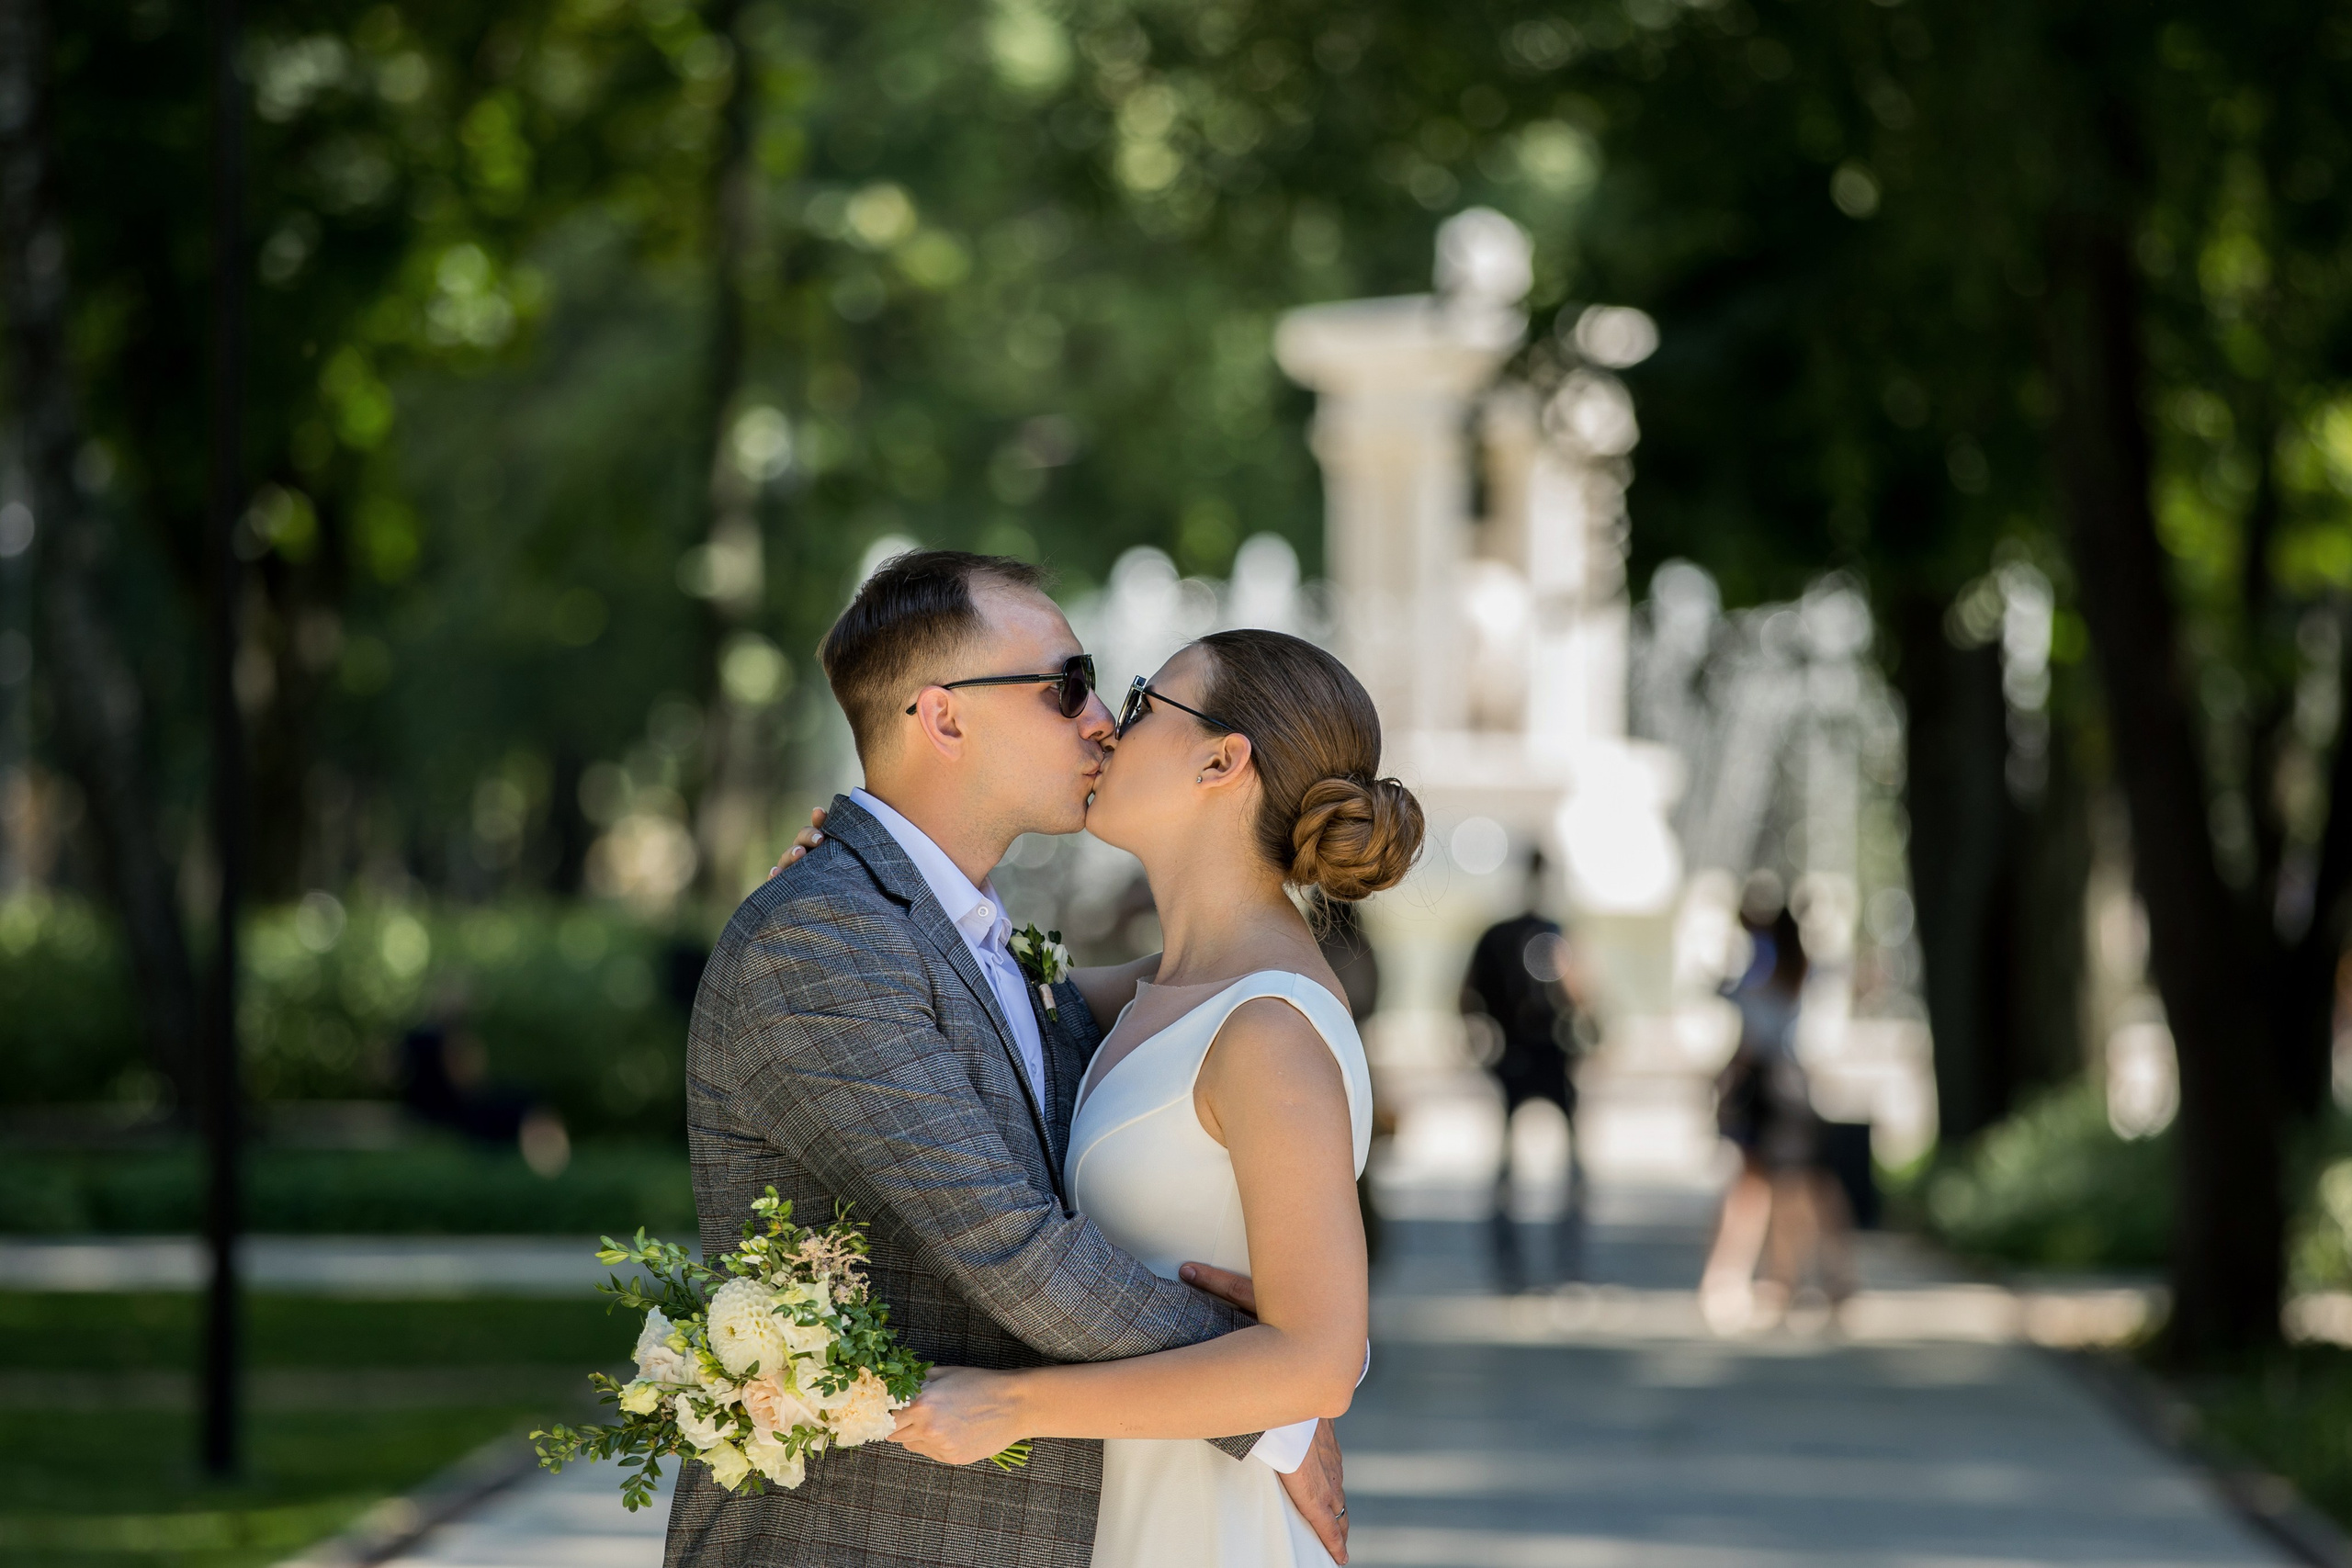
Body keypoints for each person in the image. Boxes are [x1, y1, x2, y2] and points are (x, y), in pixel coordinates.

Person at [676, 551, 1383, 1568]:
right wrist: (1269, 1402)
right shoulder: (834, 937)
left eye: (1124, 699)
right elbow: (1010, 1247)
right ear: (944, 717)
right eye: (1069, 687)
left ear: (1222, 765)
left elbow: (1306, 1342)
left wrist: (1288, 1371)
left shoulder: (1229, 1013)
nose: (1101, 722)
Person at [1698, 897, 1854, 1331]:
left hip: (1768, 1090)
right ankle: (1806, 1277)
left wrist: (1725, 1082)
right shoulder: (1801, 967)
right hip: (1793, 1088)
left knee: (1765, 1185)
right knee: (1804, 1186)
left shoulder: (1762, 967)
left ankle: (1748, 1280)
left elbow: (1751, 1035)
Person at [1459, 850, 1584, 1292]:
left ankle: (1515, 1262)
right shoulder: (1554, 934)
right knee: (1560, 1168)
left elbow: (1466, 997)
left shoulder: (1501, 934)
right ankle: (1561, 1261)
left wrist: (1481, 1042)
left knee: (1512, 1167)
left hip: (1515, 1055)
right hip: (1548, 1054)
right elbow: (1580, 992)